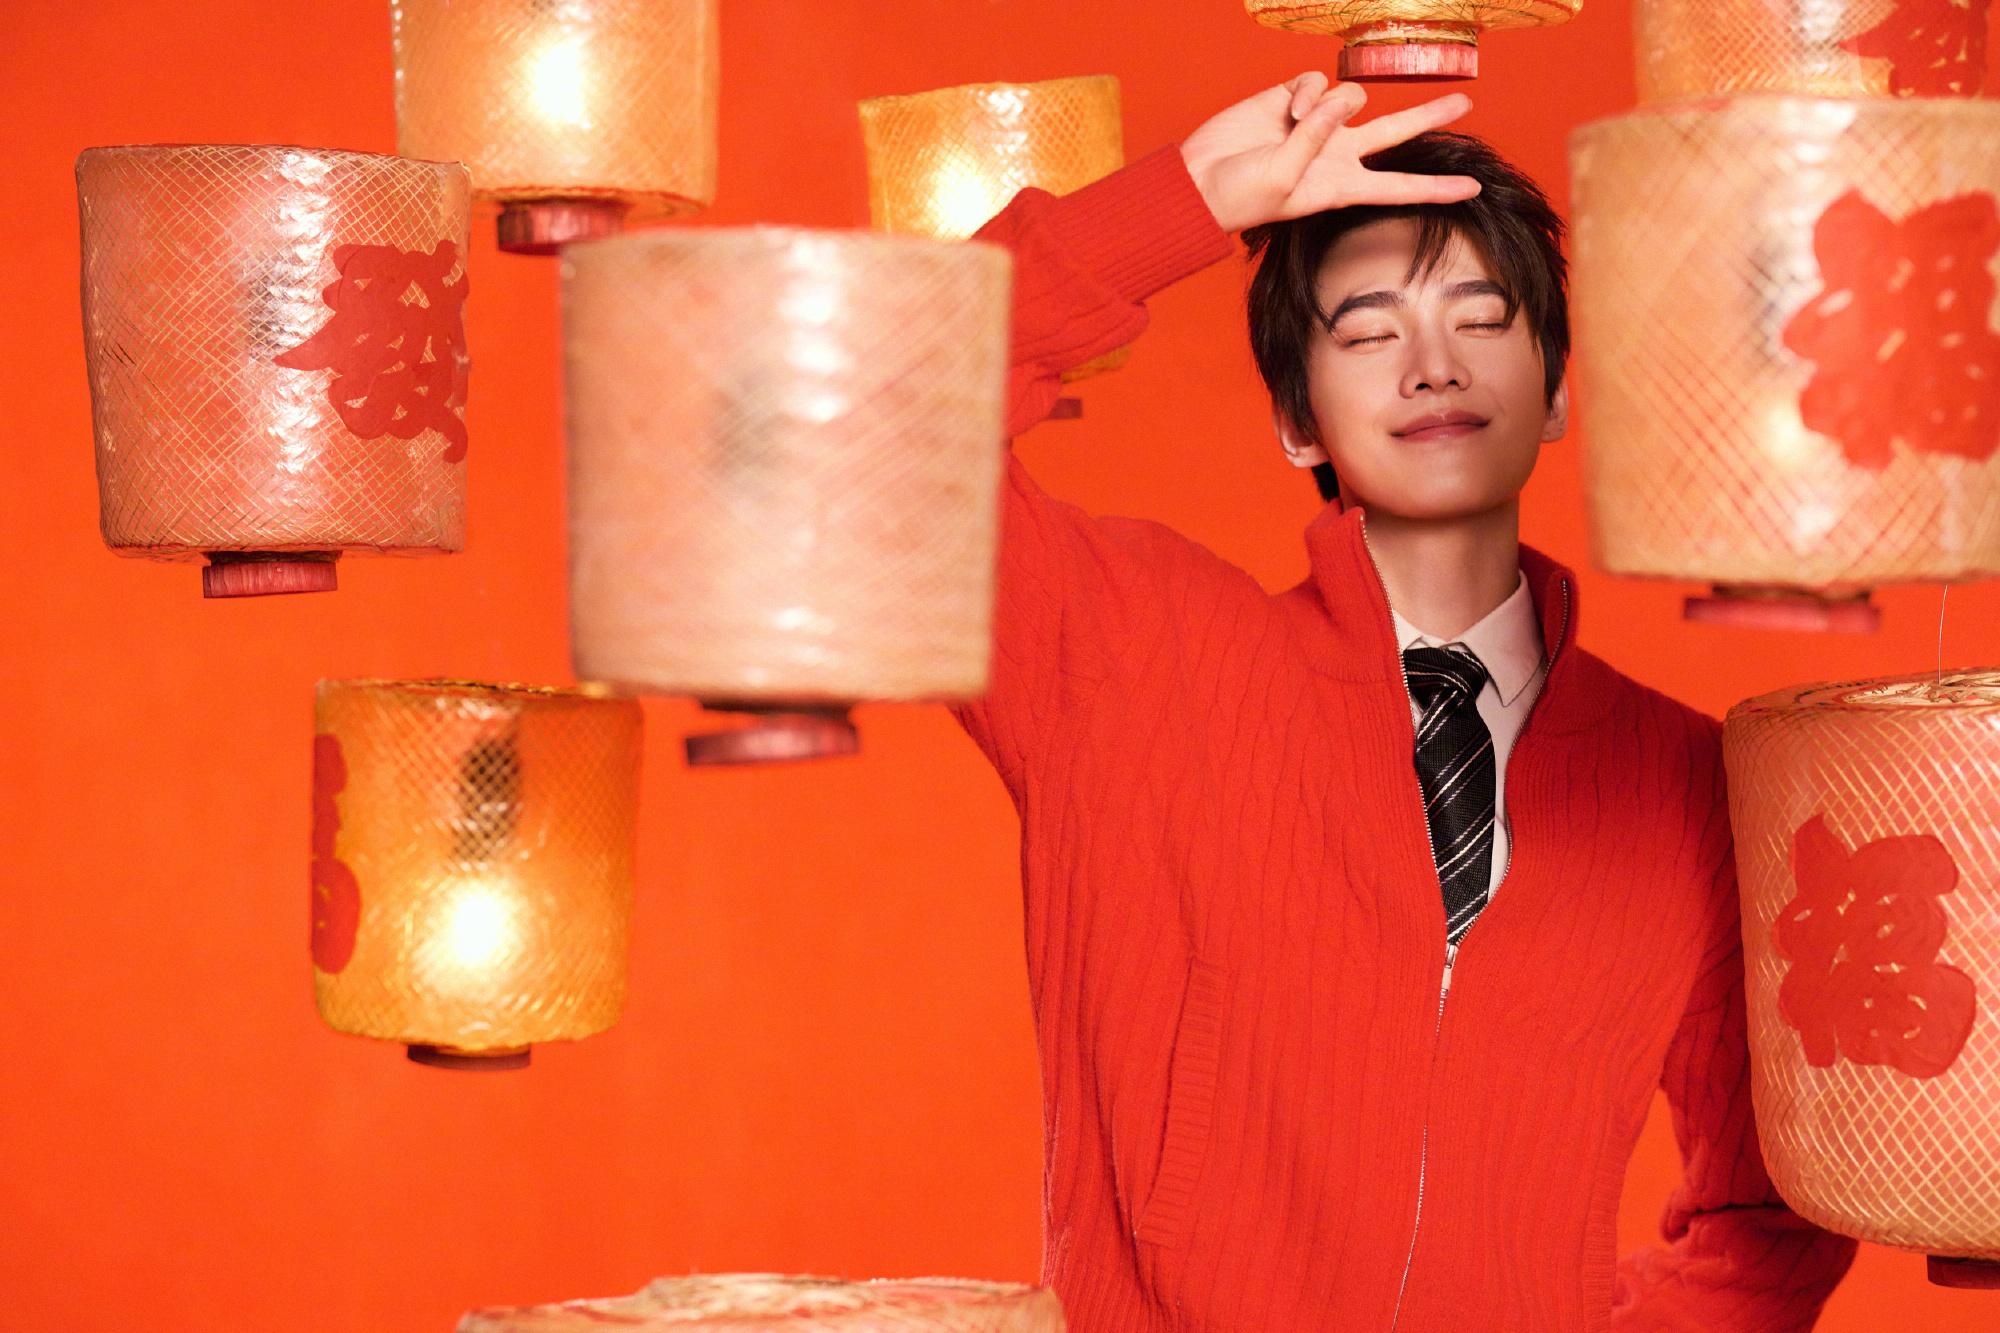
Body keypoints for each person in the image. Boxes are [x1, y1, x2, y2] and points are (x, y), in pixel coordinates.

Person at [951, 73, 1857, 1331]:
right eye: (1369, 335)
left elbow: (1773, 1209)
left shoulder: (1681, 783)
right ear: (1294, 416)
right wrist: (1186, 200)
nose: (1431, 368)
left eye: (1480, 321)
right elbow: (867, 426)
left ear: (1552, 390)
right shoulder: (1121, 646)